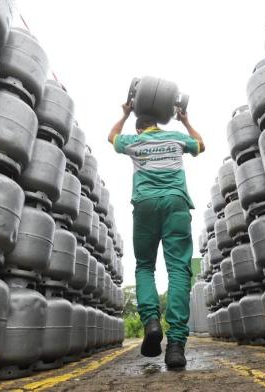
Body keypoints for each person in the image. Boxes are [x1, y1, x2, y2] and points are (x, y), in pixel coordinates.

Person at [108, 102, 205, 368]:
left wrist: (125, 114)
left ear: (140, 128)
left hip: (145, 205)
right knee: (178, 270)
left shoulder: (134, 141)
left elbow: (111, 137)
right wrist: (185, 121)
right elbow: (200, 144)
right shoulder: (175, 137)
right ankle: (175, 345)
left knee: (145, 266)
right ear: (158, 125)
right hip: (176, 204)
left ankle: (151, 322)